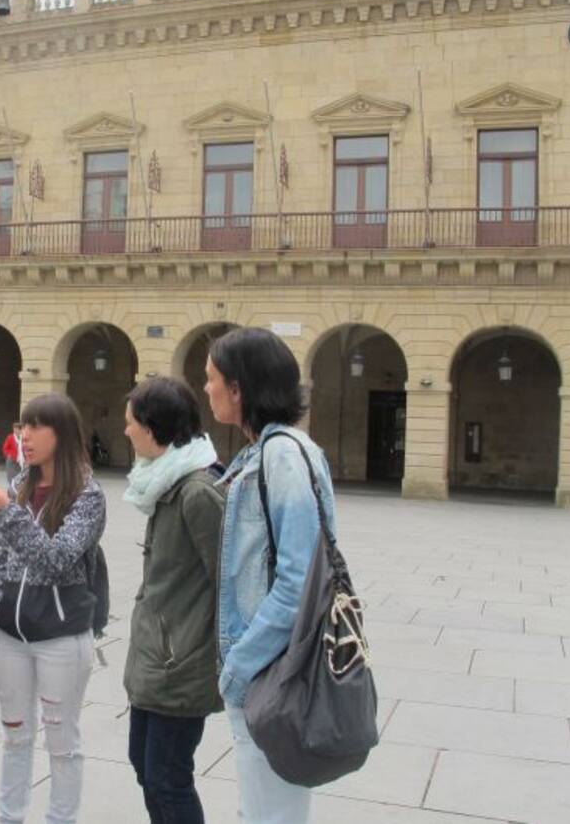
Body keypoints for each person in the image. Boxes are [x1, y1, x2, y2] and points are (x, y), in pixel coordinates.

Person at [203, 327, 333, 824]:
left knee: (269, 813)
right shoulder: (266, 452)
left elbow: (299, 580)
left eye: (212, 378)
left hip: (270, 670)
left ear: (239, 388)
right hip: (267, 664)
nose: (207, 388)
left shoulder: (281, 455)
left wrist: (240, 664)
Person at [0, 393, 106, 824]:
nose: (24, 436)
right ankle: (11, 817)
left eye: (35, 427)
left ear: (61, 434)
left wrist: (9, 515)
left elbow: (56, 559)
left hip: (61, 637)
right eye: (22, 426)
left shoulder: (88, 494)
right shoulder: (18, 487)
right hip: (13, 634)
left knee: (62, 743)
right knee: (15, 736)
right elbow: (3, 560)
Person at [121, 377, 225, 824]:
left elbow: (231, 581)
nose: (125, 431)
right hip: (154, 658)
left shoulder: (197, 492)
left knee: (168, 776)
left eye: (130, 423)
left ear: (152, 427)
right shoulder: (165, 484)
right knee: (146, 767)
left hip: (178, 664)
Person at [2, 421, 23, 486]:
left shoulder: (22, 438)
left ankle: (17, 489)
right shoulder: (10, 437)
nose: (15, 430)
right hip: (11, 460)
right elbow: (4, 448)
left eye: (16, 429)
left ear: (20, 430)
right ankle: (12, 489)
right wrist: (9, 455)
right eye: (14, 429)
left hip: (20, 461)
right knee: (11, 477)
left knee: (19, 476)